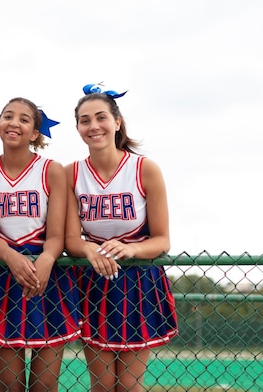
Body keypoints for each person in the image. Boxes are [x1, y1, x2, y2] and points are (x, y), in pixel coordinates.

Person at [64, 83, 178, 392]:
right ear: (77, 128)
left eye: (101, 117)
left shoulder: (144, 169)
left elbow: (162, 240)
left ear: (117, 122)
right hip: (93, 279)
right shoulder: (71, 173)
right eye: (84, 120)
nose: (93, 126)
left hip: (137, 280)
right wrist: (89, 249)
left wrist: (132, 249)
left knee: (128, 385)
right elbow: (71, 240)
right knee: (102, 384)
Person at [0, 97, 82, 392]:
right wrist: (11, 258)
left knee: (45, 386)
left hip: (47, 278)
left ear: (35, 132)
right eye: (8, 116)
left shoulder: (51, 170)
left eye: (23, 119)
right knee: (9, 386)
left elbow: (56, 235)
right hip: (5, 274)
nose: (14, 123)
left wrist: (45, 260)